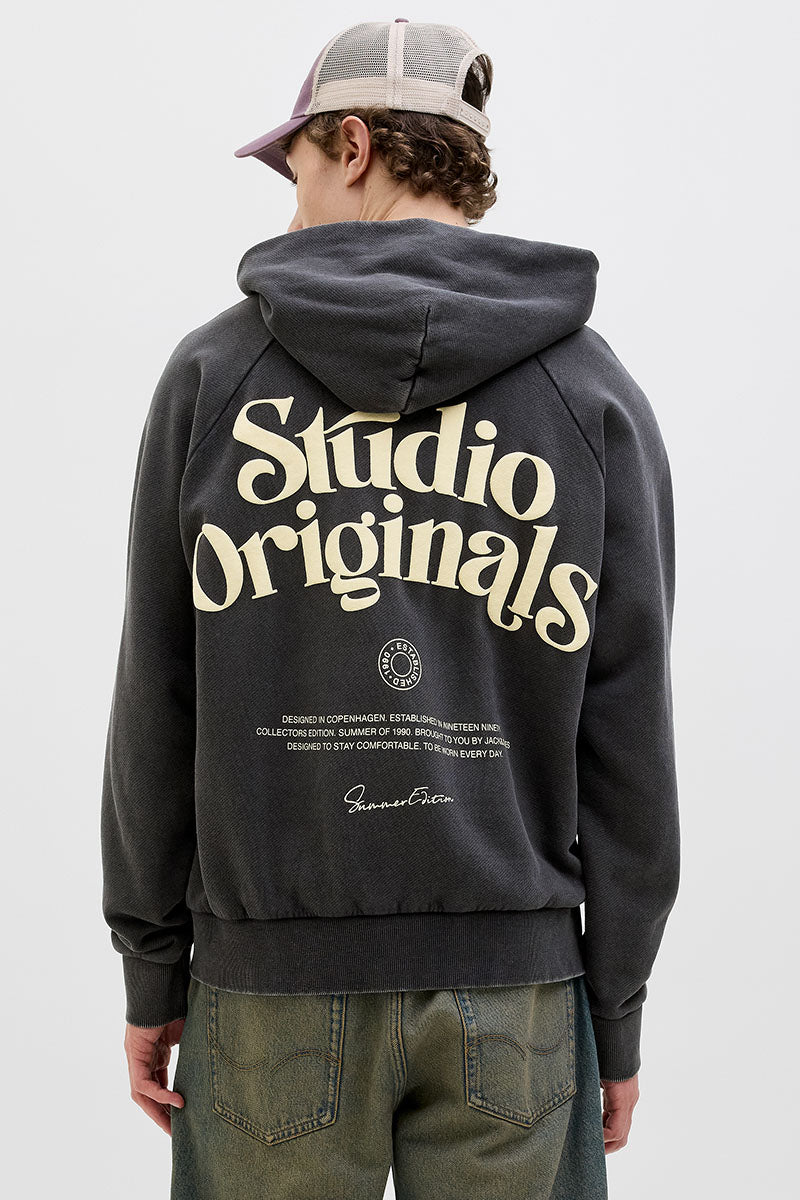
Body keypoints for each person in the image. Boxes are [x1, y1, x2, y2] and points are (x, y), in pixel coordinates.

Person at [100, 18, 680, 1200]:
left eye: (297, 169)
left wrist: (152, 968)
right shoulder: (589, 396)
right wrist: (612, 1012)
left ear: (353, 145)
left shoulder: (214, 379)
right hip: (516, 996)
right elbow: (627, 736)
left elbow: (156, 700)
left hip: (266, 988)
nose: (293, 210)